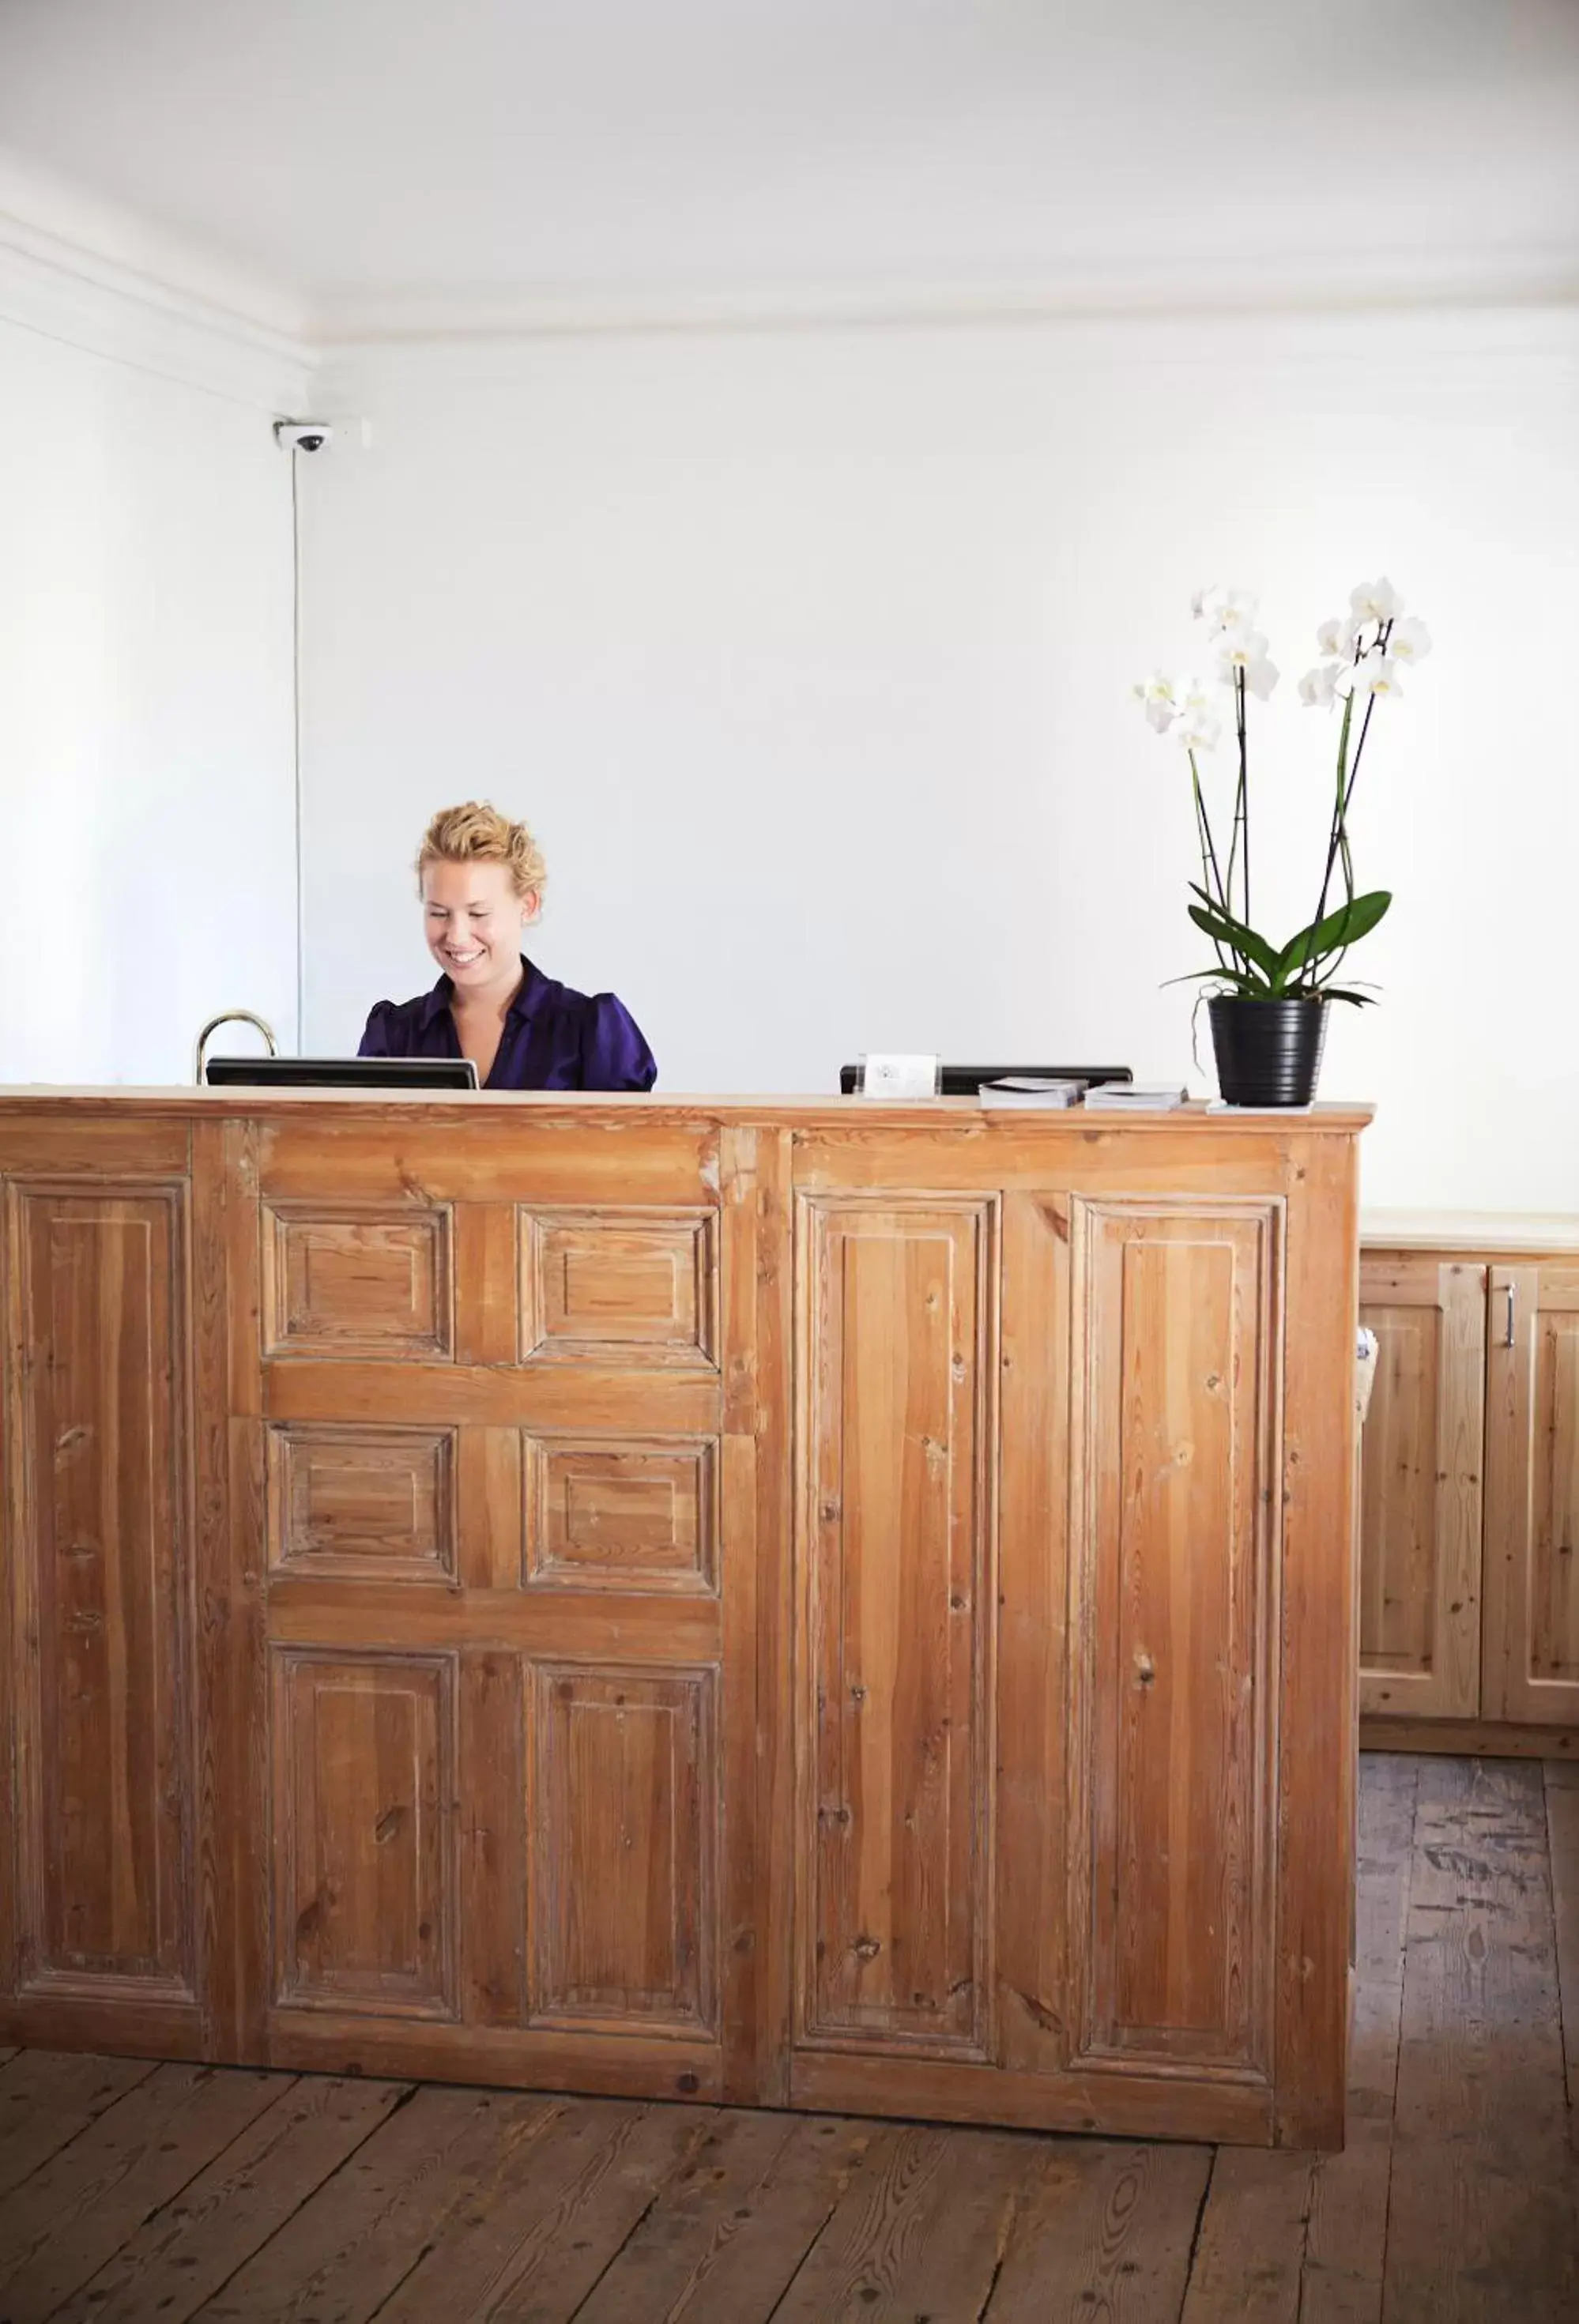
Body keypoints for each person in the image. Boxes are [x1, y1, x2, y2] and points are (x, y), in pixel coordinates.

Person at [358, 802, 656, 1090]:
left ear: (528, 905)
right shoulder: (393, 1036)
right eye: (439, 913)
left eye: (478, 914)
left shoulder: (590, 1033)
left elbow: (635, 1141)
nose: (457, 936)